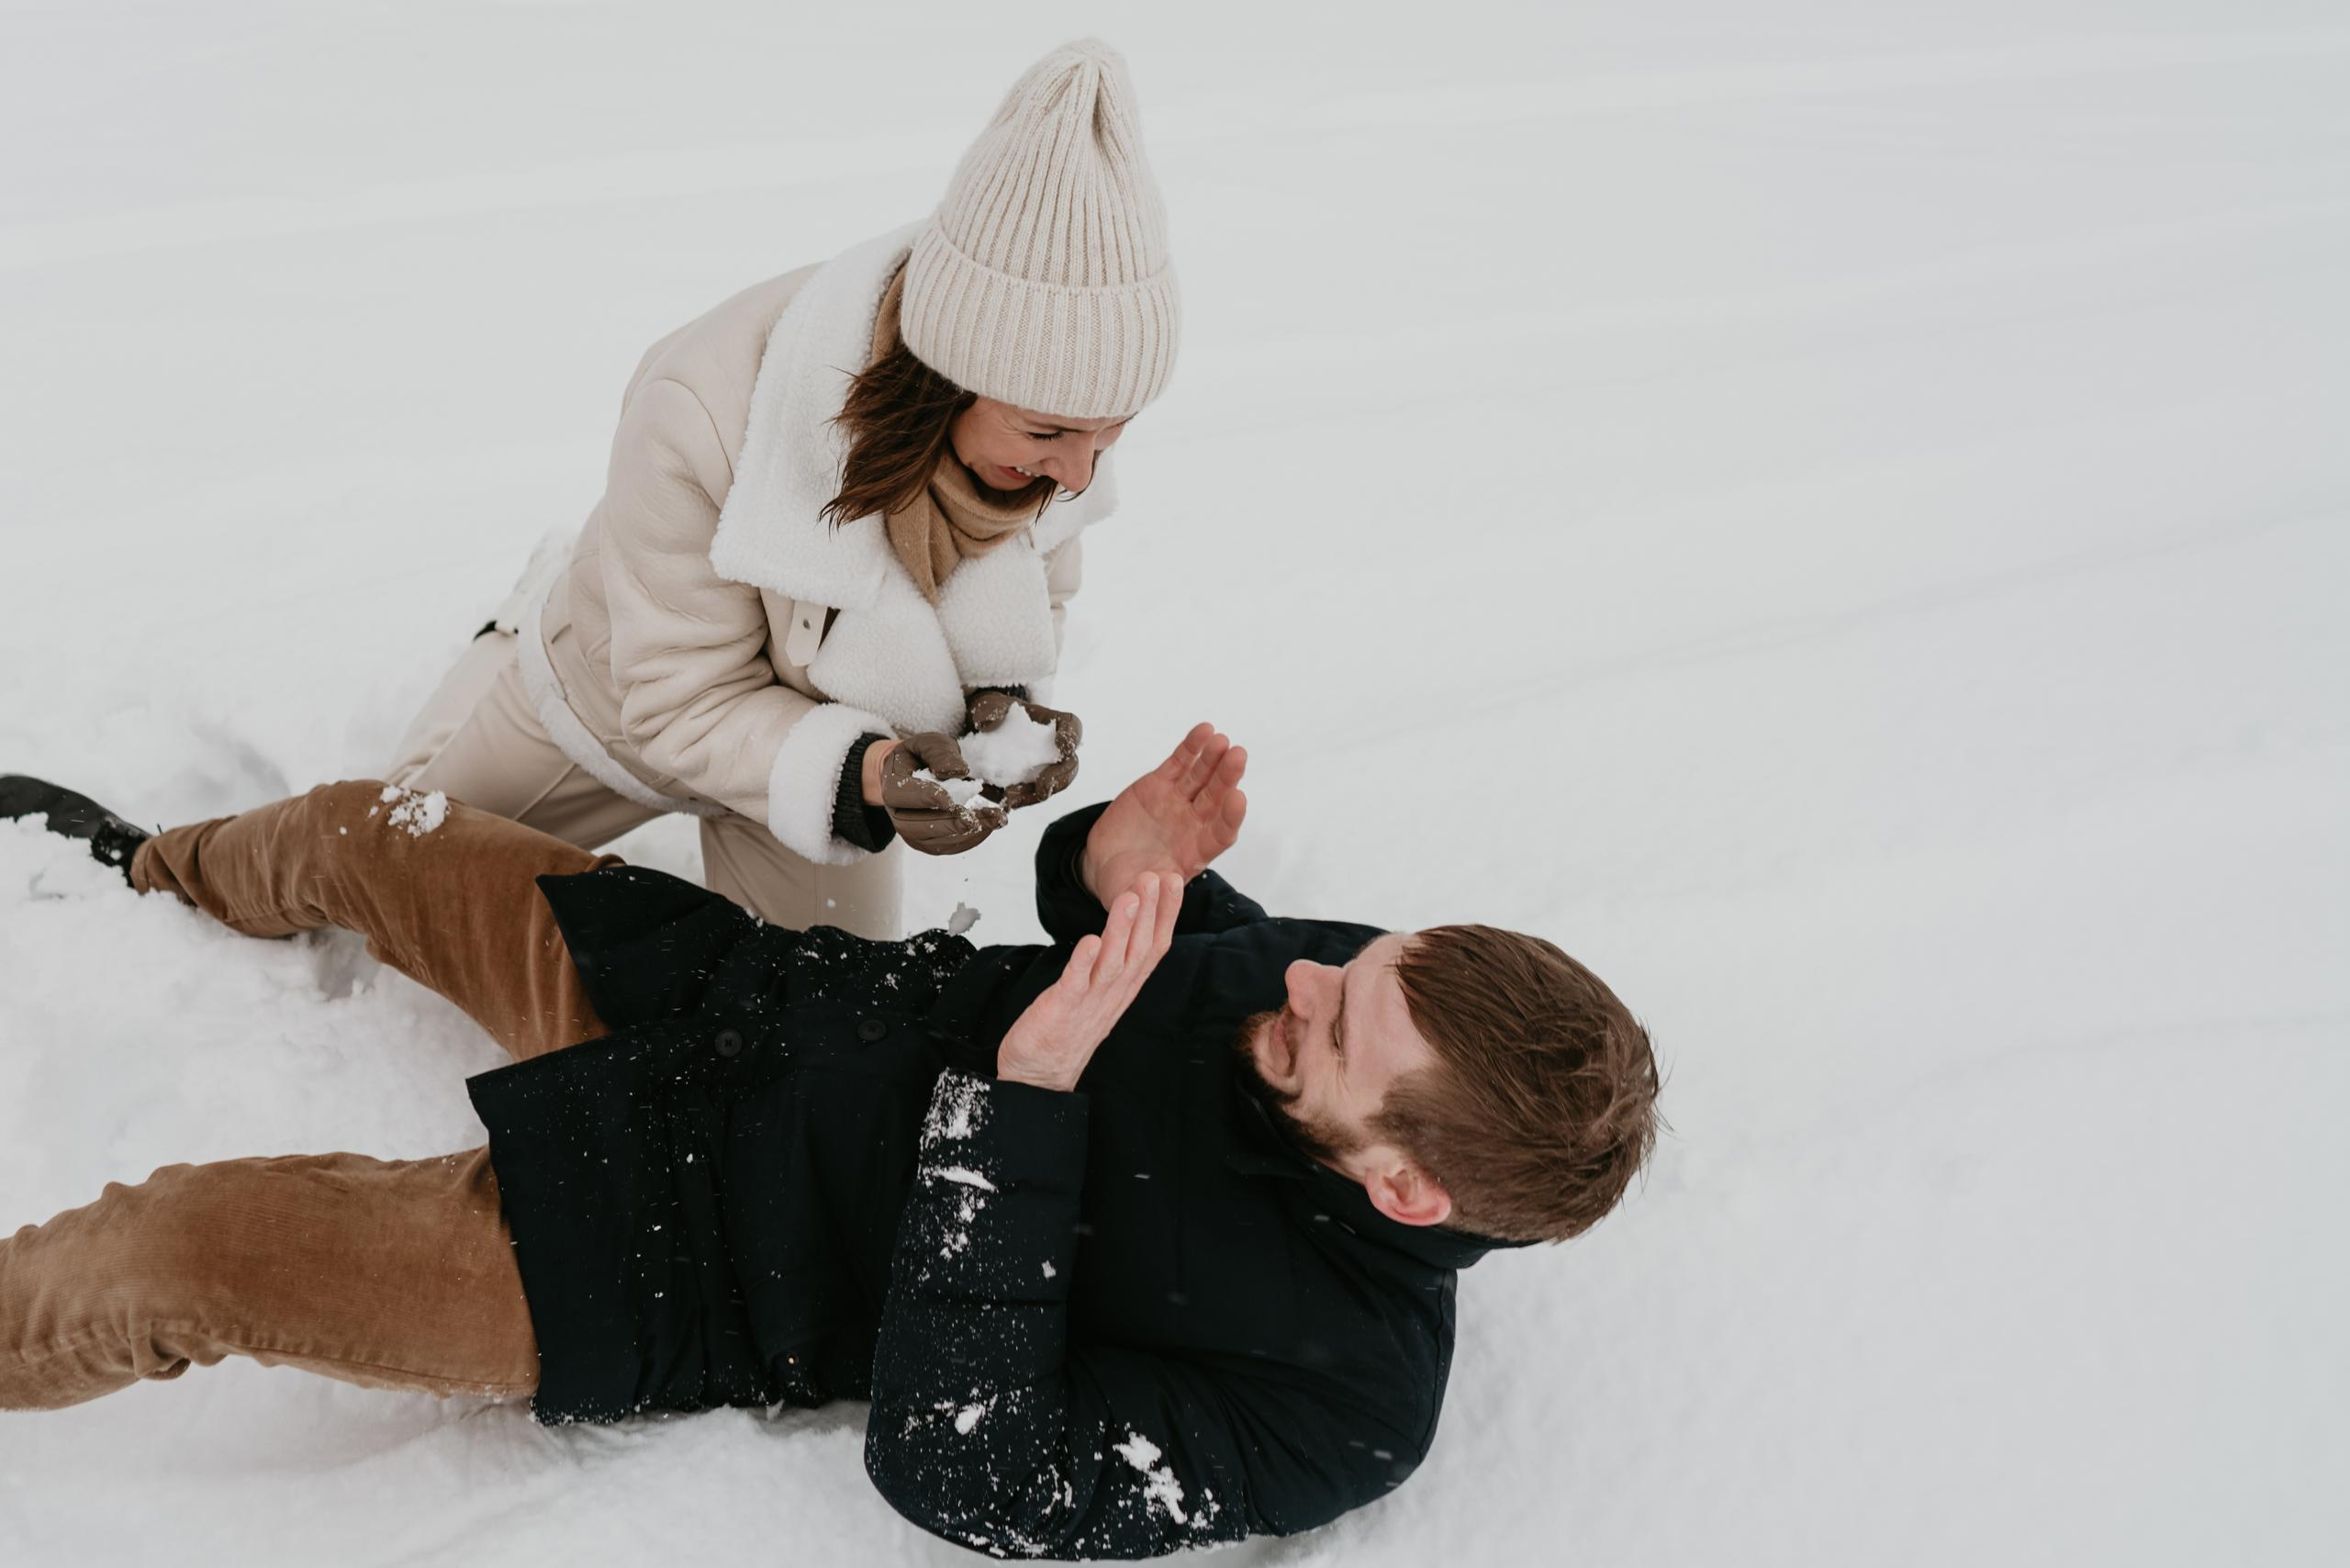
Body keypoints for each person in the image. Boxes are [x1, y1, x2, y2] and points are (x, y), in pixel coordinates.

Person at [0, 734, 1658, 1560]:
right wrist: (1107, 851)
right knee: (379, 826)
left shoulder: (1341, 1401)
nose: (1300, 976)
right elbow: (1162, 929)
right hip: (729, 1003)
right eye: (1346, 963)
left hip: (682, 1263)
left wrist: (1023, 1108)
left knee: (183, 1250)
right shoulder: (1351, 987)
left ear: (1409, 1185)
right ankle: (145, 876)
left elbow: (964, 1464)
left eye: (1336, 1022)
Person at [386, 37, 1180, 941]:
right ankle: (523, 624)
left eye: (1109, 437)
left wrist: (1003, 706)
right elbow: (679, 703)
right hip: (617, 704)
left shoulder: (1055, 419)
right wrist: (875, 777)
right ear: (948, 377)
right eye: (1050, 436)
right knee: (401, 872)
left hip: (817, 770)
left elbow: (1040, 591)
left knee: (827, 1024)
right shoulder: (704, 405)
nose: (1078, 476)